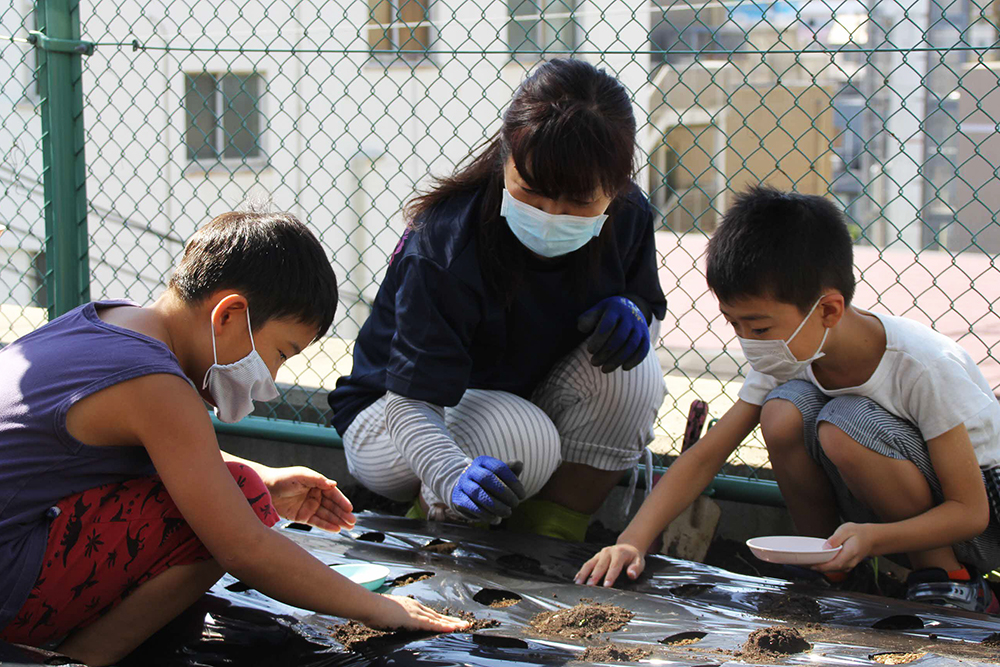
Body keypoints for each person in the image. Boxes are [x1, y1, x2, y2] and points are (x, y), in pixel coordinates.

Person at [0, 199, 467, 666]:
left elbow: (158, 459)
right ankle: (79, 660)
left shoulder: (111, 321)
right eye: (281, 352)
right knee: (239, 500)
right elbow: (245, 549)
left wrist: (264, 474)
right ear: (228, 315)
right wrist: (380, 608)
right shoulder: (157, 385)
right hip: (9, 581)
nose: (271, 375)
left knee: (243, 485)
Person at [576, 185, 1000, 613]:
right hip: (885, 514)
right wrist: (631, 542)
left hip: (978, 518)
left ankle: (950, 580)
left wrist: (873, 539)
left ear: (829, 310)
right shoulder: (791, 350)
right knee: (782, 410)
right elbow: (706, 456)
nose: (746, 341)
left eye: (758, 328)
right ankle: (827, 566)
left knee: (844, 423)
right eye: (733, 324)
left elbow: (970, 512)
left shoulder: (922, 366)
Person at [327, 58, 668, 542]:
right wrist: (448, 474)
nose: (551, 215)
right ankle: (430, 531)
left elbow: (646, 307)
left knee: (633, 373)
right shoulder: (448, 243)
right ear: (503, 156)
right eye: (531, 193)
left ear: (616, 186)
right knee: (520, 435)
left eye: (578, 203)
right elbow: (410, 402)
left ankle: (549, 542)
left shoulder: (628, 215)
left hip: (519, 398)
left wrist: (637, 316)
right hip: (390, 419)